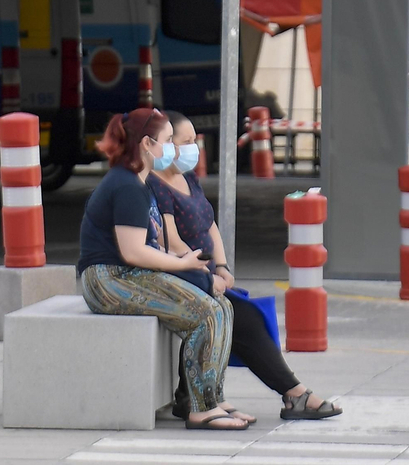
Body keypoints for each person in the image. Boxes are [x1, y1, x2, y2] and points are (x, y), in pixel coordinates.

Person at [148, 112, 342, 421]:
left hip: (205, 272)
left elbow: (209, 224)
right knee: (242, 316)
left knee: (244, 314)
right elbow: (172, 242)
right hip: (184, 272)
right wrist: (205, 272)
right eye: (181, 142)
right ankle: (292, 393)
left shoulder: (188, 178)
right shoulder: (157, 186)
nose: (189, 148)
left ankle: (197, 394)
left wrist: (221, 265)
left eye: (190, 141)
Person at [77, 107, 248, 431]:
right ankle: (201, 408)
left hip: (126, 274)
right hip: (108, 280)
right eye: (168, 140)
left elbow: (152, 246)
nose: (173, 149)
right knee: (207, 313)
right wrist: (183, 264)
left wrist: (196, 269)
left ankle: (213, 397)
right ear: (146, 144)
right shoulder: (127, 185)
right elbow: (133, 252)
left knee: (222, 306)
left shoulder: (139, 183)